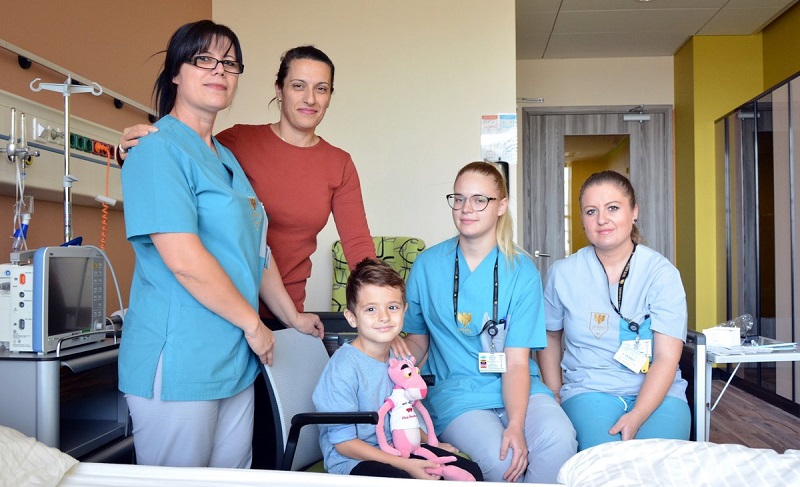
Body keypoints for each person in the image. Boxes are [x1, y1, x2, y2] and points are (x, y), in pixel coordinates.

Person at [119, 20, 320, 468]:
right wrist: (253, 325)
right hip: (181, 358)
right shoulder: (156, 150)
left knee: (235, 477)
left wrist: (292, 318)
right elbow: (185, 261)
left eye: (230, 63)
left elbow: (256, 251)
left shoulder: (226, 158)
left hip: (233, 359)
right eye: (204, 59)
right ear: (176, 72)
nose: (219, 70)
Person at [118, 45, 375, 325]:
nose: (310, 98)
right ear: (279, 90)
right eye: (298, 85)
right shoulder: (238, 142)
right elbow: (181, 159)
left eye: (321, 89)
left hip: (287, 313)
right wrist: (129, 152)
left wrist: (381, 308)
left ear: (329, 97)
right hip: (222, 304)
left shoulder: (339, 164)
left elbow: (357, 244)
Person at [399, 161, 577, 483]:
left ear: (501, 206)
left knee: (559, 441)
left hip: (519, 385)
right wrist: (390, 352)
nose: (466, 208)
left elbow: (518, 362)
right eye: (459, 198)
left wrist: (516, 424)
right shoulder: (427, 265)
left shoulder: (521, 271)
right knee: (501, 460)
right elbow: (418, 339)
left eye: (479, 199)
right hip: (457, 392)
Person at [538, 170, 691, 452]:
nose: (602, 219)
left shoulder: (661, 274)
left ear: (634, 212)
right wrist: (555, 392)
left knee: (657, 462)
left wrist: (637, 415)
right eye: (591, 211)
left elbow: (667, 357)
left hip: (661, 394)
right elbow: (550, 336)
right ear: (582, 220)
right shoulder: (563, 273)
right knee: (604, 461)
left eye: (613, 208)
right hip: (589, 390)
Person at [312, 258, 483, 480]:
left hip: (399, 448)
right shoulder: (342, 368)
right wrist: (406, 464)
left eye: (392, 307)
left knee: (471, 472)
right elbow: (344, 443)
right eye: (371, 309)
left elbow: (403, 415)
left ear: (404, 310)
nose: (384, 317)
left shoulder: (398, 359)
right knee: (406, 480)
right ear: (352, 317)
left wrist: (431, 443)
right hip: (354, 461)